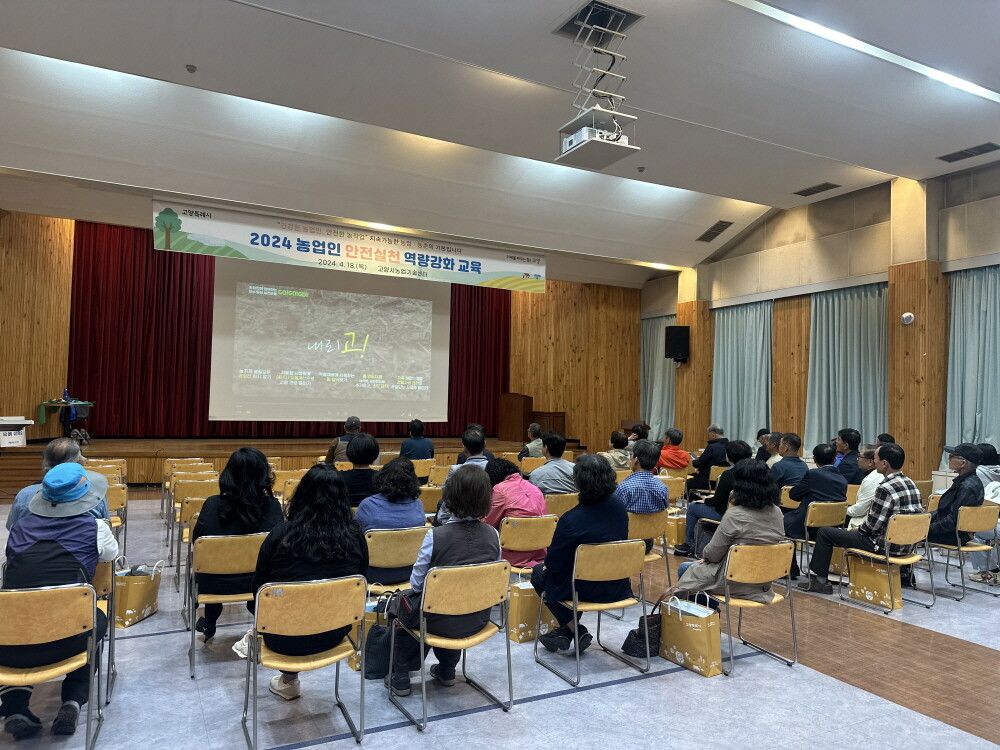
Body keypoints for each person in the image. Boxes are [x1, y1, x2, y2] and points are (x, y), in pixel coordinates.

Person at [0, 463, 119, 739]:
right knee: (94, 617)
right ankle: (73, 700)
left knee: (19, 624)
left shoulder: (19, 528)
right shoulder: (95, 528)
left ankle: (15, 706)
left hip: (9, 643)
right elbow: (110, 556)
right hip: (70, 640)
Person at [250, 464, 368, 701]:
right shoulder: (355, 535)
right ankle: (288, 680)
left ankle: (288, 680)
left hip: (281, 638)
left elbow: (258, 593)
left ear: (302, 496)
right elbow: (360, 584)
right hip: (335, 631)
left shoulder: (281, 534)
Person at [388, 465, 501, 696]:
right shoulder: (494, 535)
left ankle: (401, 676)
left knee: (401, 604)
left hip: (437, 621)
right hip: (478, 618)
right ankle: (447, 669)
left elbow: (417, 584)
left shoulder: (434, 536)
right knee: (450, 604)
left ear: (449, 496)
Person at [532, 454, 630, 653]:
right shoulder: (620, 507)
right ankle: (566, 631)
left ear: (577, 482)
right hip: (617, 584)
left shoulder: (571, 519)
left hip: (582, 589)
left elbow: (553, 564)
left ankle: (575, 629)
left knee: (538, 573)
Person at [801, 443, 923, 594]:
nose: (874, 461)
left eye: (876, 458)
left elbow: (871, 527)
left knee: (825, 532)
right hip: (908, 546)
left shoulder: (885, 488)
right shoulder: (911, 483)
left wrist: (858, 529)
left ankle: (819, 582)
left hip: (883, 546)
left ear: (884, 463)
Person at [192, 447, 284, 639]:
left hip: (214, 584)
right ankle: (264, 621)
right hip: (261, 585)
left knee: (213, 563)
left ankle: (209, 622)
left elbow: (197, 542)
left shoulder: (212, 504)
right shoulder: (273, 506)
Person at [671, 459, 786, 604]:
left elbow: (712, 554)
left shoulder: (735, 515)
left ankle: (702, 615)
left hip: (732, 581)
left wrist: (707, 558)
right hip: (763, 582)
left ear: (739, 485)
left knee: (686, 568)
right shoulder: (777, 513)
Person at [7, 437, 110, 530]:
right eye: (80, 455)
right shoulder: (95, 496)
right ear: (77, 463)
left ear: (45, 461)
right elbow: (105, 529)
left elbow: (13, 529)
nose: (85, 459)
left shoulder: (24, 495)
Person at [674, 440, 752, 557]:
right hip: (749, 513)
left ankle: (689, 544)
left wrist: (706, 499)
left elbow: (718, 502)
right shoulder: (756, 471)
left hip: (726, 513)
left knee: (693, 507)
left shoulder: (729, 474)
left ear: (729, 456)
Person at [484, 458, 547, 568]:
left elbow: (487, 522)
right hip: (540, 552)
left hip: (511, 555)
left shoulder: (500, 490)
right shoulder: (535, 488)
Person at [784, 444, 849, 540]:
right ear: (835, 459)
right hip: (831, 528)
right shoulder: (843, 479)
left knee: (779, 519)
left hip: (805, 527)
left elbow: (793, 495)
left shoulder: (813, 474)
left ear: (814, 459)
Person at [615, 440, 669, 552]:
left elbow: (614, 516)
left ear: (635, 460)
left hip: (625, 545)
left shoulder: (624, 487)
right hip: (648, 544)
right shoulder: (663, 488)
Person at [929, 444, 985, 545]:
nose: (949, 459)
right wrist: (924, 518)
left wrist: (928, 528)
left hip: (954, 535)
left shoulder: (966, 487)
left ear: (963, 463)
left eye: (952, 456)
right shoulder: (967, 481)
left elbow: (953, 521)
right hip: (953, 531)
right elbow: (945, 511)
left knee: (906, 532)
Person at [527, 431, 577, 496]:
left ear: (546, 448)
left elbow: (533, 497)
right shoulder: (576, 470)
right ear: (564, 448)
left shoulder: (535, 475)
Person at [846, 445, 882, 529]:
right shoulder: (875, 475)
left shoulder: (871, 480)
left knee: (824, 531)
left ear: (870, 462)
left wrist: (842, 510)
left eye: (859, 456)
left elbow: (860, 510)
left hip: (865, 525)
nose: (857, 459)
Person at [339, 433, 380, 506]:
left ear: (349, 452)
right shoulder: (382, 478)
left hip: (347, 513)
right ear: (375, 453)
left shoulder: (339, 477)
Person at [686, 424, 729, 491]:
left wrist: (693, 461)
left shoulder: (711, 447)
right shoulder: (731, 446)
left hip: (707, 482)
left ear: (713, 435)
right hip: (723, 482)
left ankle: (696, 497)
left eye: (708, 435)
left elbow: (699, 464)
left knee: (683, 484)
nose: (708, 437)